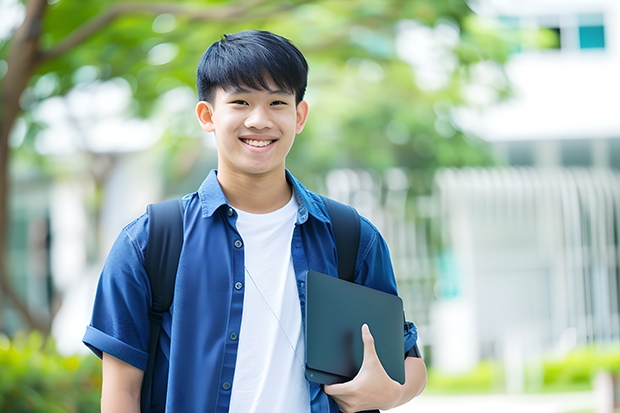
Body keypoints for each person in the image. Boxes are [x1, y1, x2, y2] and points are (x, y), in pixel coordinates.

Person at [83, 29, 427, 413]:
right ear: (207, 115)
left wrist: (392, 393)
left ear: (299, 115)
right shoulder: (151, 241)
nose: (260, 120)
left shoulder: (350, 236)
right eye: (241, 101)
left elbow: (409, 361)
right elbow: (121, 393)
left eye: (277, 102)